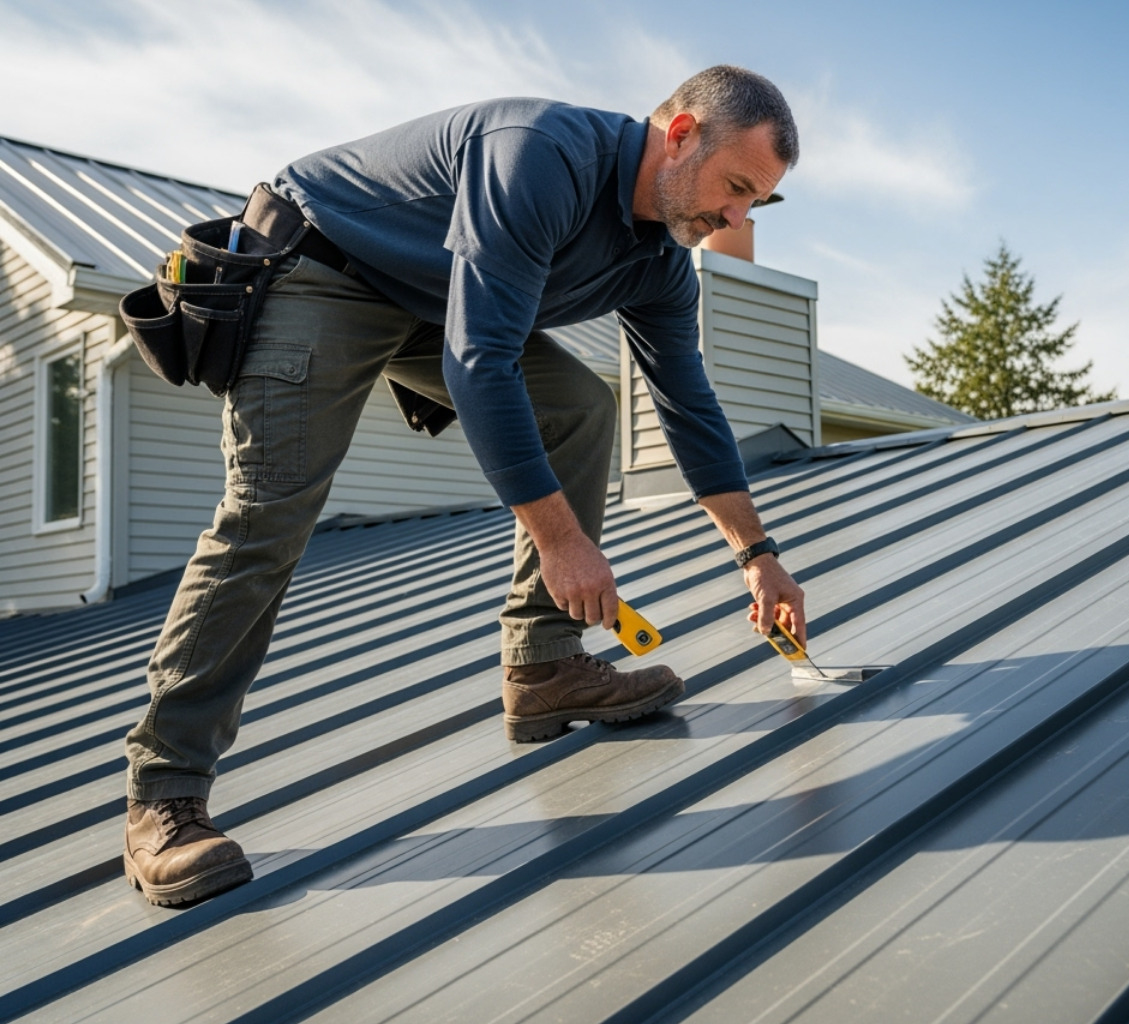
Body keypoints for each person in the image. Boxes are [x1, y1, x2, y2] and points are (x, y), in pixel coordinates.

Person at [122, 66, 809, 906]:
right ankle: (163, 794)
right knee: (271, 508)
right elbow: (480, 362)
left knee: (579, 409)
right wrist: (562, 542)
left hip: (430, 297)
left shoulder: (660, 259)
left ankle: (544, 667)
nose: (736, 219)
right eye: (736, 188)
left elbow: (687, 404)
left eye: (756, 204)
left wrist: (757, 556)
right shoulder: (541, 157)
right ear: (681, 136)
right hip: (324, 264)